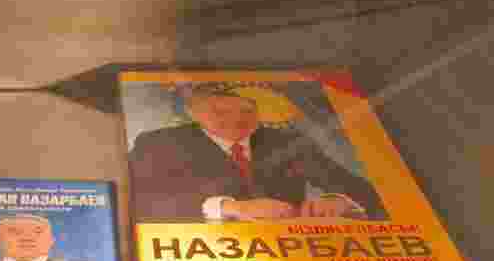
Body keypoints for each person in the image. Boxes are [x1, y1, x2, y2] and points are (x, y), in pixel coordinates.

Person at [126, 81, 384, 223]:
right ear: (194, 112)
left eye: (247, 110)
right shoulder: (157, 143)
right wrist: (231, 207)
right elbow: (142, 203)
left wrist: (340, 200)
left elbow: (364, 191)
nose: (236, 120)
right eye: (220, 112)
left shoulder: (289, 141)